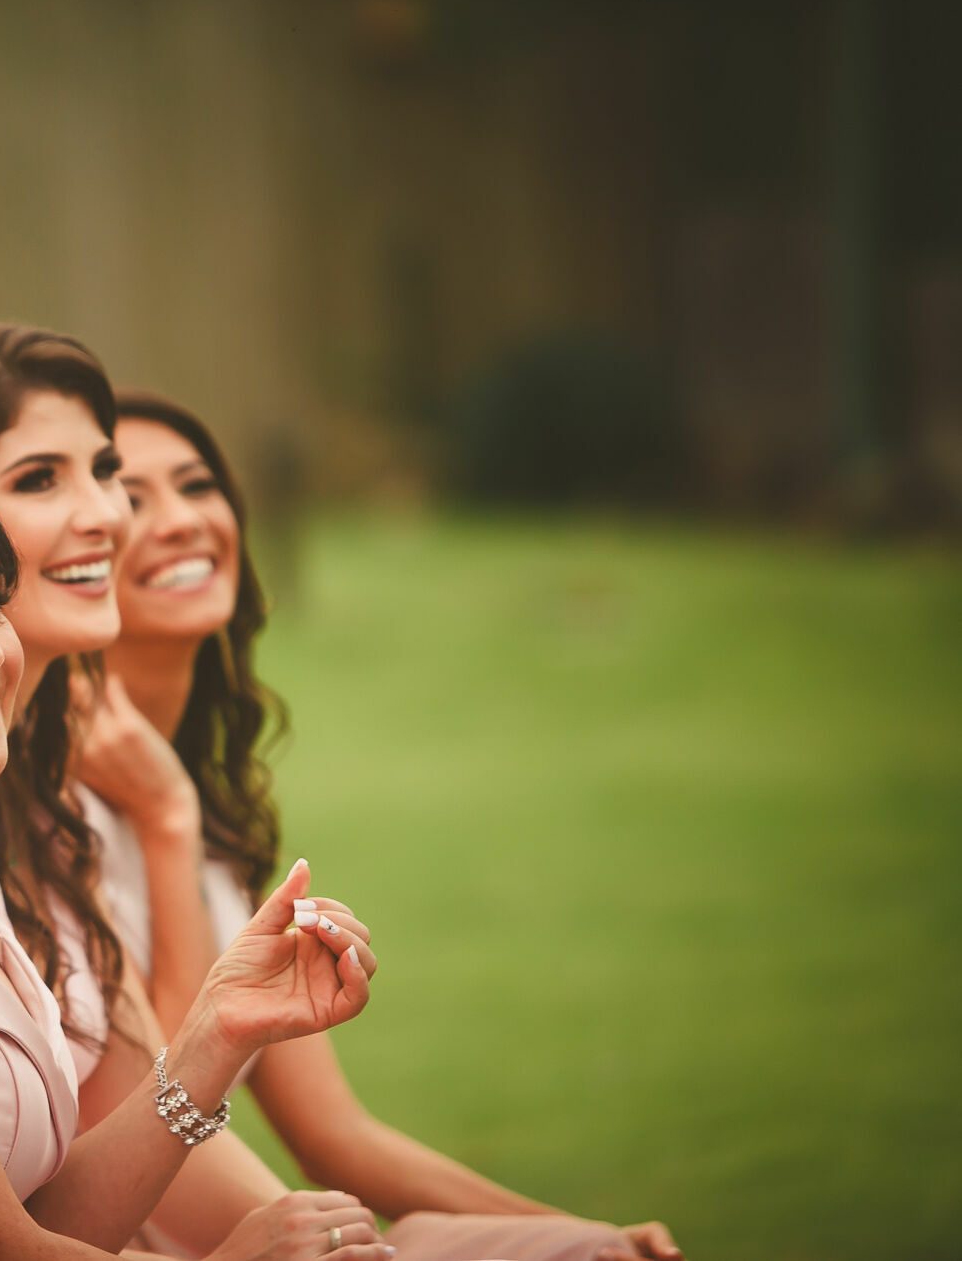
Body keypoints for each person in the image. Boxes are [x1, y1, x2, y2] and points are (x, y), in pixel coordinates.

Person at [89, 387, 682, 1261]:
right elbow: (172, 1105)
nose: (180, 520)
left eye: (197, 484)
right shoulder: (57, 817)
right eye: (134, 498)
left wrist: (560, 1224)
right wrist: (163, 820)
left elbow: (340, 1137)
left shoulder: (205, 800)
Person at [0, 320, 380, 1256]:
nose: (110, 513)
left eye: (103, 471)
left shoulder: (37, 806)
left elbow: (154, 1111)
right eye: (39, 479)